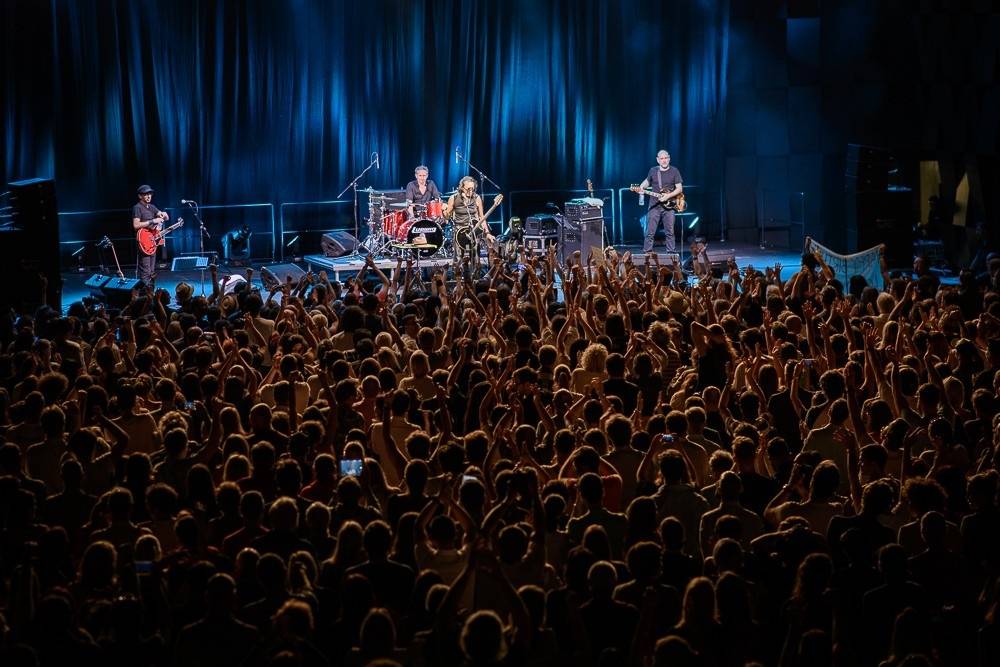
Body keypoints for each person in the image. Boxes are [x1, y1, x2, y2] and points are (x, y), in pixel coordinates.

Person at [633, 150, 683, 253]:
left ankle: (671, 254)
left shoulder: (674, 171)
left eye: (666, 158)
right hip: (654, 206)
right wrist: (641, 188)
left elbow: (679, 189)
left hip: (669, 206)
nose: (664, 160)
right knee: (650, 232)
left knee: (670, 232)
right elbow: (646, 182)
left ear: (669, 158)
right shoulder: (653, 170)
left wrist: (668, 196)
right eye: (661, 158)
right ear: (658, 160)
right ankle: (647, 253)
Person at [443, 176, 501, 264]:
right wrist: (444, 211)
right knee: (459, 261)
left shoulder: (477, 198)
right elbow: (447, 217)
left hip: (474, 231)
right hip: (459, 231)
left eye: (472, 189)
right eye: (468, 189)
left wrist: (487, 233)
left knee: (476, 261)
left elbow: (482, 218)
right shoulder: (453, 198)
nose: (470, 191)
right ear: (462, 188)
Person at [132, 184, 169, 284]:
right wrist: (152, 221)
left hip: (152, 242)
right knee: (146, 271)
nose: (149, 196)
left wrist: (164, 215)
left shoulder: (152, 207)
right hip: (143, 242)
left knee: (152, 272)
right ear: (140, 196)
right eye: (146, 194)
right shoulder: (137, 207)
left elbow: (164, 217)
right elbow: (136, 225)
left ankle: (151, 291)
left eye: (150, 194)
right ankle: (145, 292)